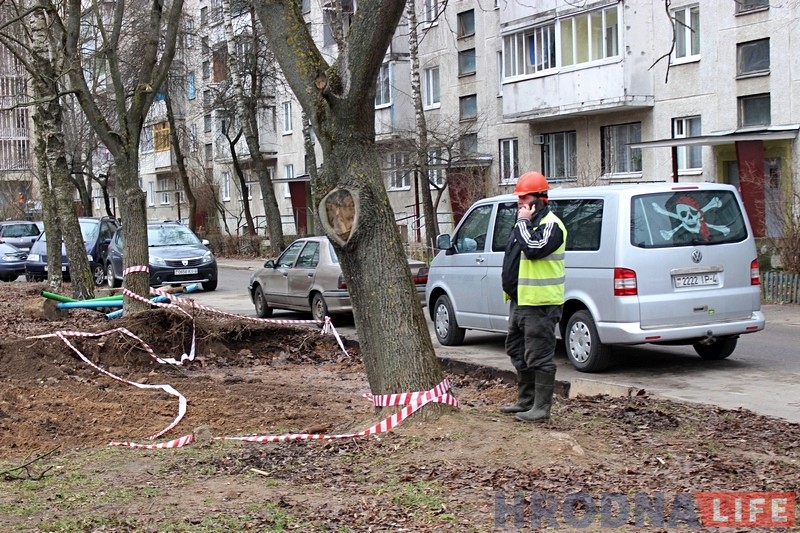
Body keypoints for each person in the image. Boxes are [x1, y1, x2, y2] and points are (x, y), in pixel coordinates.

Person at [499, 171, 567, 423]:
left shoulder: (552, 225)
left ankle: (541, 408)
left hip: (541, 303)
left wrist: (522, 222)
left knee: (539, 356)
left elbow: (534, 249)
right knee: (516, 351)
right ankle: (525, 401)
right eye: (518, 198)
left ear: (540, 198)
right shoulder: (526, 224)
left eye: (524, 198)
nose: (520, 203)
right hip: (520, 300)